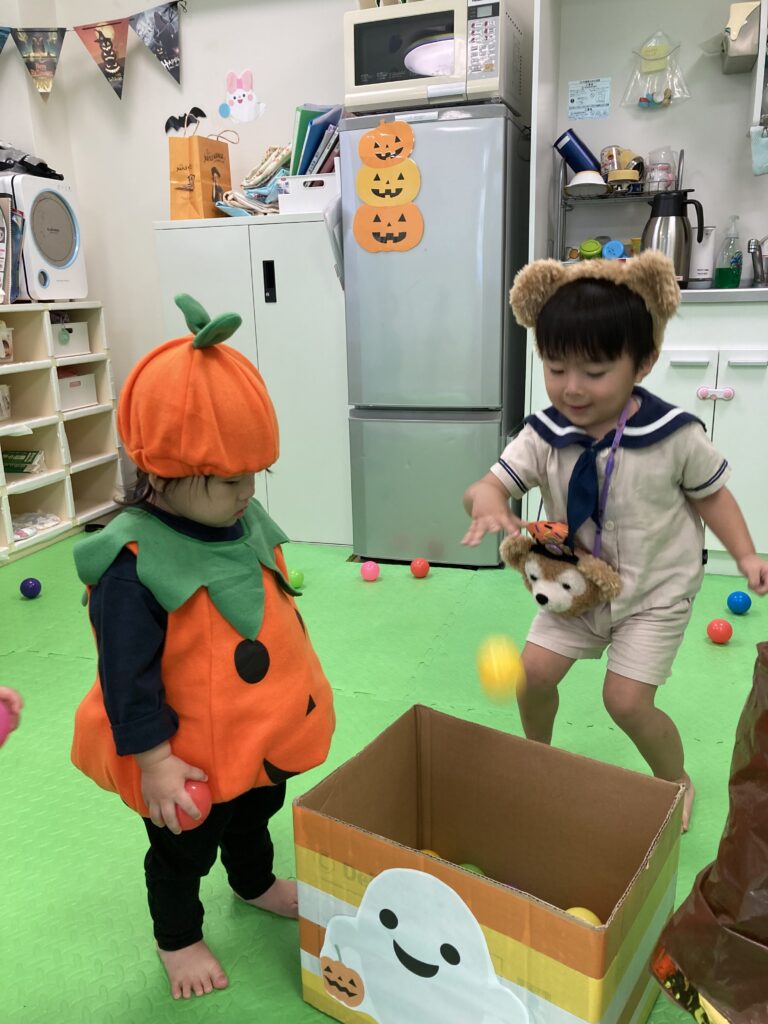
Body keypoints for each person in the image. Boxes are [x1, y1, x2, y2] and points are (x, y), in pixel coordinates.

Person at [71, 295, 335, 1000]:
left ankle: (252, 882)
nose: (247, 492)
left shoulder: (239, 522)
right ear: (161, 469)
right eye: (228, 480)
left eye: (254, 475)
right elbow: (125, 679)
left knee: (256, 816)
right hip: (187, 761)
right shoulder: (132, 565)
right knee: (183, 851)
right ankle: (178, 937)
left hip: (260, 739)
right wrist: (156, 764)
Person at [462, 251, 768, 832]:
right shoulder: (543, 433)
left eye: (595, 372)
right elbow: (493, 482)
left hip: (654, 593)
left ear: (644, 363)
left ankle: (675, 780)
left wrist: (748, 554)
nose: (572, 388)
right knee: (533, 674)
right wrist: (487, 498)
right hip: (576, 587)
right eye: (556, 368)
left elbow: (713, 496)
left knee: (625, 701)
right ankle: (537, 755)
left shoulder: (673, 436)